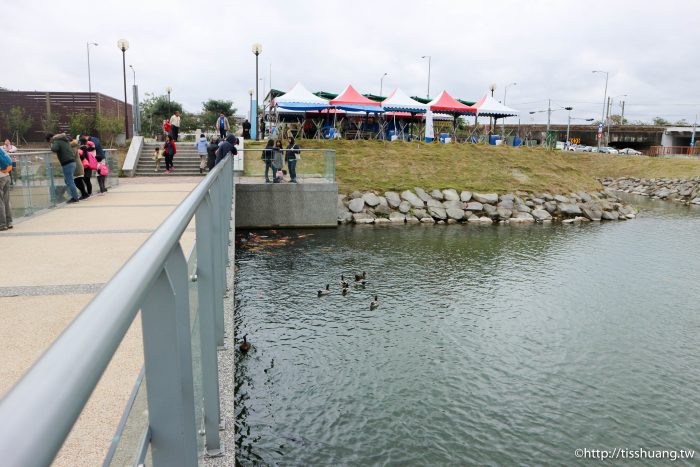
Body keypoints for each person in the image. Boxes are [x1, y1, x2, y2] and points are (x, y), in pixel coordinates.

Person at [48, 133, 80, 203]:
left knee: (70, 181)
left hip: (67, 163)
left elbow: (54, 149)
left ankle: (75, 197)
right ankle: (74, 196)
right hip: (72, 162)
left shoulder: (57, 141)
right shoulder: (65, 141)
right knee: (68, 180)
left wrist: (52, 144)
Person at [0, 147, 12, 230]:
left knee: (0, 202)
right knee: (6, 201)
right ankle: (9, 222)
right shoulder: (1, 149)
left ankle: (2, 224)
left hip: (0, 178)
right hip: (7, 175)